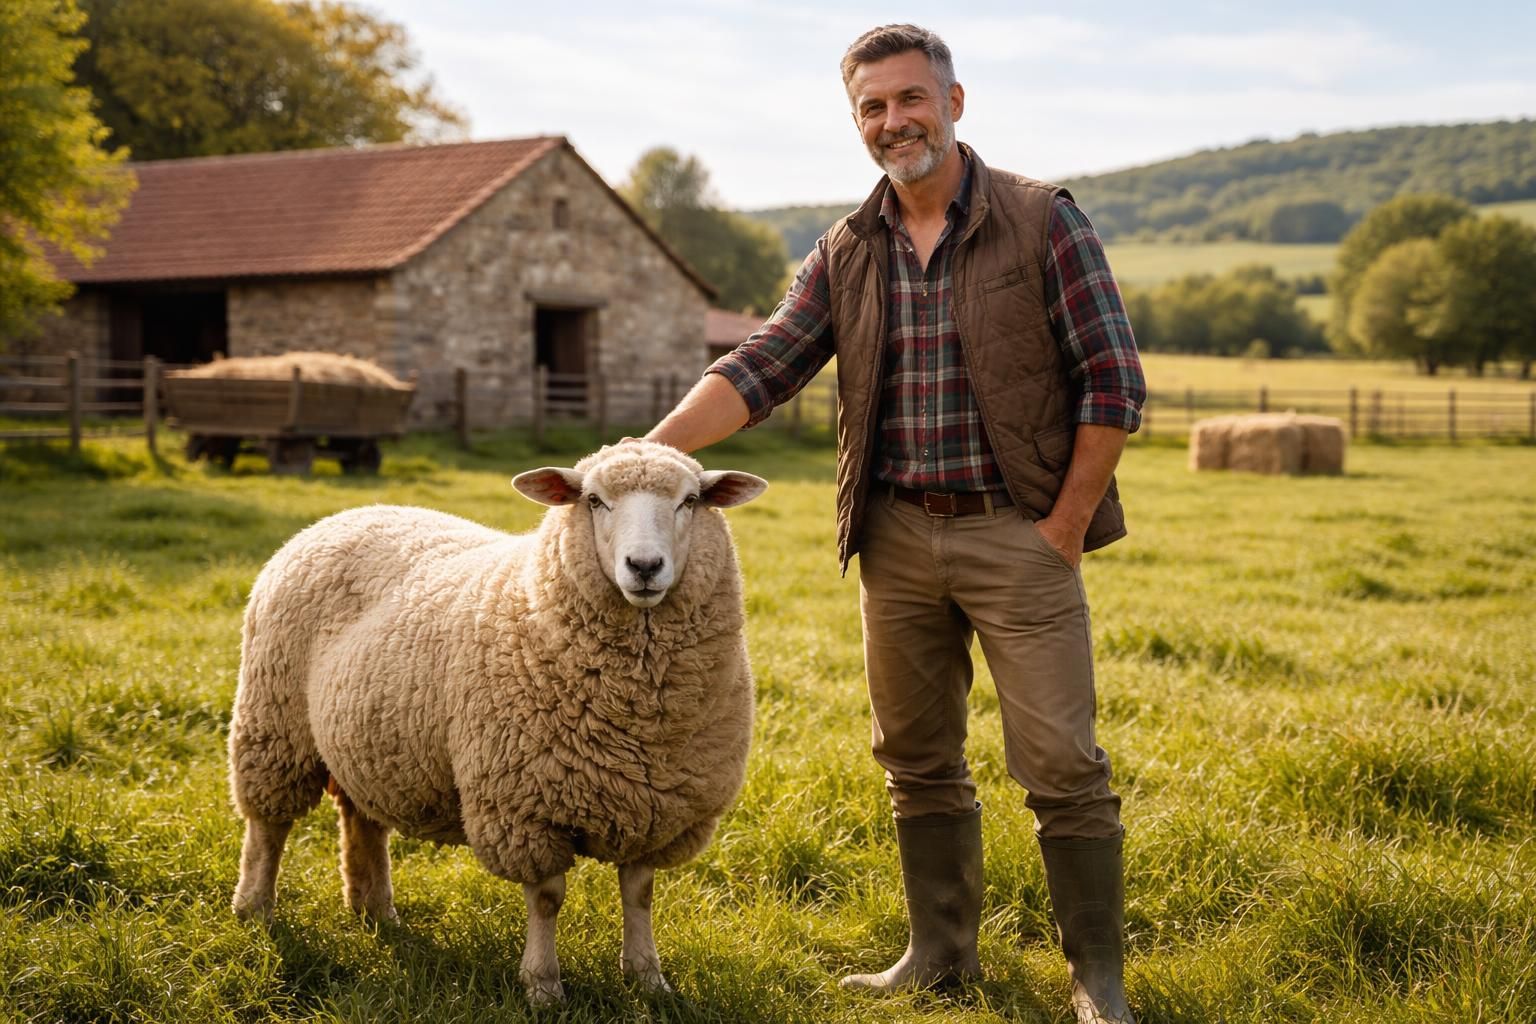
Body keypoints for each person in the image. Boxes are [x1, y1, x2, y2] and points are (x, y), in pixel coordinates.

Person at [644, 23, 1144, 1024]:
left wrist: (1064, 525)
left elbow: (1114, 382)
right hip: (897, 542)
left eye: (910, 99)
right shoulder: (844, 249)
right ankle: (941, 955)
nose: (892, 121)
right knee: (914, 755)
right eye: (872, 107)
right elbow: (760, 368)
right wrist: (643, 462)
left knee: (1060, 764)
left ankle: (1096, 980)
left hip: (1021, 531)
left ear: (954, 104)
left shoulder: (1045, 219)